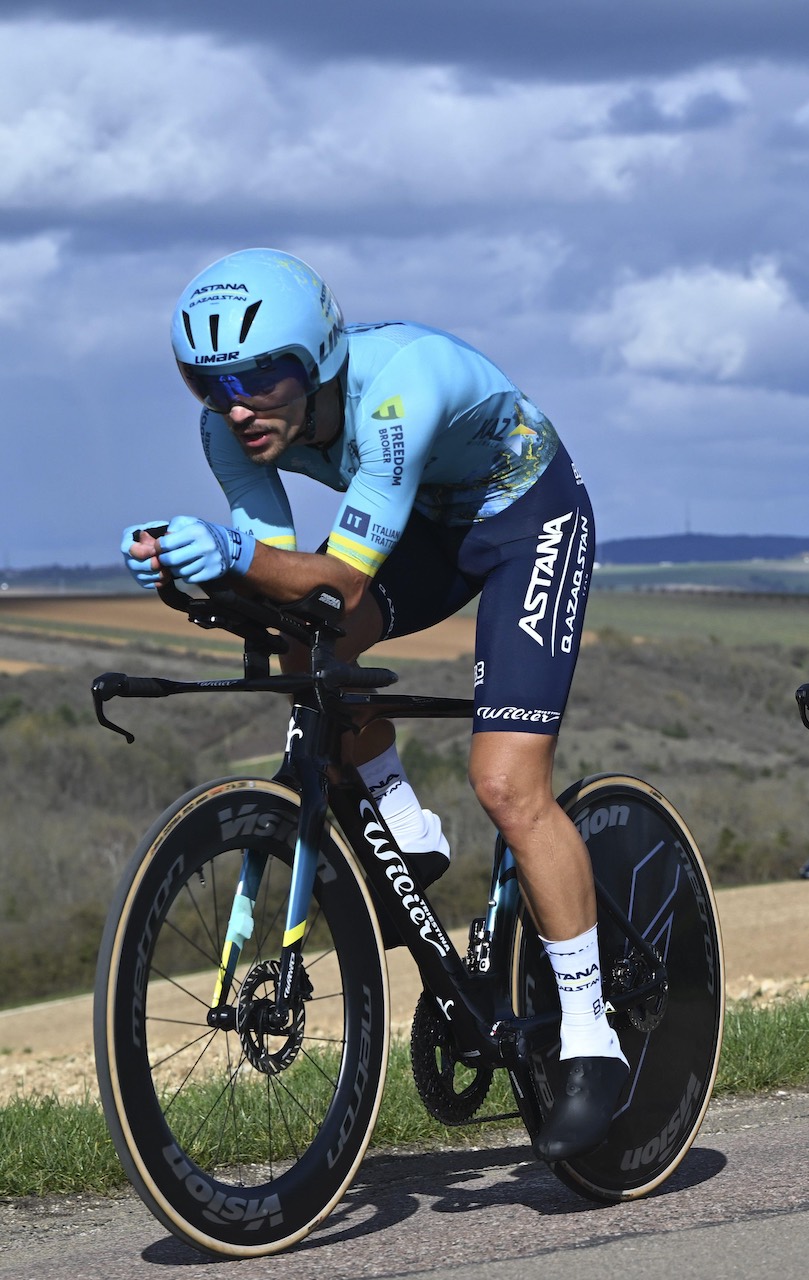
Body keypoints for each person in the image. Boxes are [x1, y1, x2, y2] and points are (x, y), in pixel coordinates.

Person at [122, 249, 620, 1159]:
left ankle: (592, 1035)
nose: (237, 406)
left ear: (315, 359)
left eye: (261, 376)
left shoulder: (397, 391)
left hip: (526, 520)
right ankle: (400, 816)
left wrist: (232, 553)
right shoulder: (227, 432)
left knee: (508, 783)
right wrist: (190, 568)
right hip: (426, 524)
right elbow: (287, 583)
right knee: (299, 636)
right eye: (208, 382)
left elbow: (342, 575)